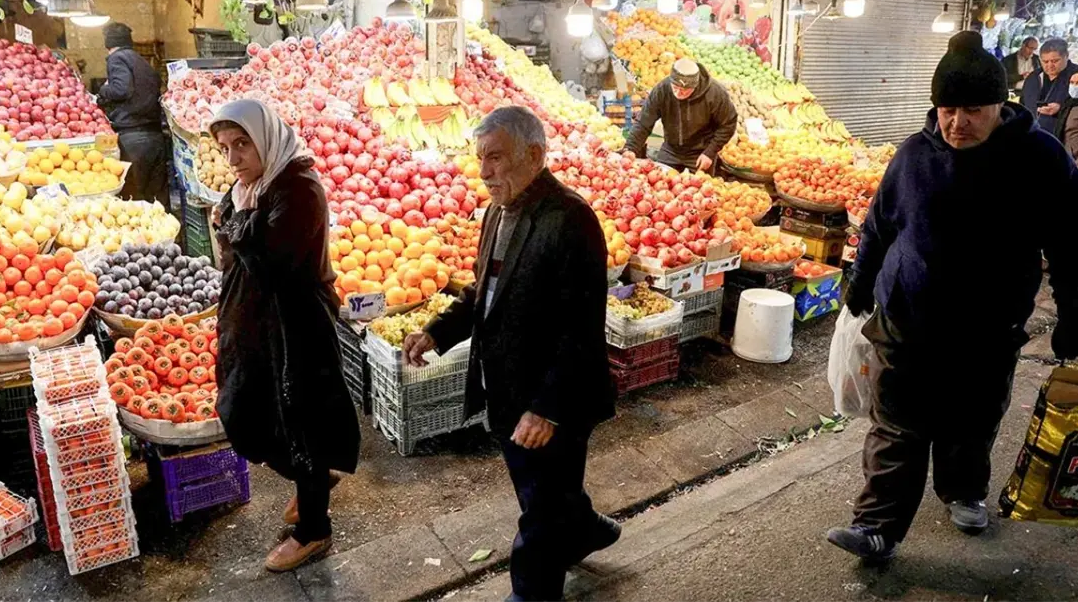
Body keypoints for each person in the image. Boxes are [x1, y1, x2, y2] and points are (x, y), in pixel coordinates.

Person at [828, 31, 1078, 561]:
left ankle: (964, 491)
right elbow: (879, 224)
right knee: (896, 425)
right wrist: (860, 283)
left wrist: (1075, 311)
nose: (957, 123)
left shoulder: (1039, 158)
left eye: (972, 111)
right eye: (947, 110)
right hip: (906, 316)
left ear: (999, 106)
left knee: (972, 417)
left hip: (988, 325)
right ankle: (877, 526)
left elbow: (1072, 243)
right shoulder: (914, 155)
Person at [403, 106, 619, 602]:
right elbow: (484, 293)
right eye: (480, 158)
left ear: (535, 155)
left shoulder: (571, 219)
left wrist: (547, 408)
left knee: (539, 510)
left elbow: (581, 326)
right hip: (506, 385)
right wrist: (436, 332)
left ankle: (532, 593)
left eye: (496, 157)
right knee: (545, 489)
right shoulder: (497, 212)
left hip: (550, 397)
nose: (484, 172)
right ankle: (584, 529)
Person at [208, 99, 360, 572]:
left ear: (266, 139)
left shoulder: (299, 189)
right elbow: (232, 251)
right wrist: (235, 223)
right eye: (225, 148)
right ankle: (311, 478)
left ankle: (314, 530)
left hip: (297, 326)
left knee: (300, 421)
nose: (233, 158)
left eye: (242, 144)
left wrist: (235, 224)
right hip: (258, 325)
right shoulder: (250, 187)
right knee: (246, 413)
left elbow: (274, 265)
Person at [622, 58, 738, 172]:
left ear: (695, 85)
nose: (678, 93)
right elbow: (644, 122)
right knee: (660, 179)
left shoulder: (715, 93)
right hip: (671, 149)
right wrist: (631, 148)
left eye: (684, 90)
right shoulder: (662, 89)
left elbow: (728, 123)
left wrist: (710, 152)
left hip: (700, 152)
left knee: (699, 183)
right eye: (675, 87)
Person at [98, 22, 170, 206]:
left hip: (133, 139)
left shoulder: (116, 58)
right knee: (158, 200)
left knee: (134, 200)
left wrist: (103, 90)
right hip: (155, 137)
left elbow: (121, 89)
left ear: (108, 43)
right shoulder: (141, 61)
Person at [1020, 37, 1078, 132]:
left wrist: (1061, 109)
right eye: (1045, 61)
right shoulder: (1033, 77)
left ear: (1066, 56)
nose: (1050, 65)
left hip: (1066, 136)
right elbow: (1023, 104)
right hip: (1032, 134)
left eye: (1055, 61)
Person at [1054, 69, 1078, 171]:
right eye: (1072, 82)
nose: (1074, 86)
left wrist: (1077, 165)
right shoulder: (1069, 103)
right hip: (1067, 162)